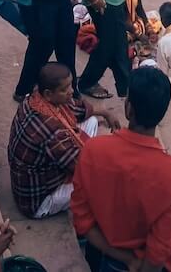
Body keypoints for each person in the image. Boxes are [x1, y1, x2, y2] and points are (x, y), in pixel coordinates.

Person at [71, 67, 171, 272]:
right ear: (162, 113)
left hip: (102, 255)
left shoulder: (93, 150)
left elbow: (82, 220)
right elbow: (158, 252)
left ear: (128, 108)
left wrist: (123, 257)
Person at [9, 62, 120, 219]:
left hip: (40, 172)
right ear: (48, 94)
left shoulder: (35, 98)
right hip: (38, 201)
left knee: (92, 121)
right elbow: (84, 167)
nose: (72, 91)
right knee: (103, 181)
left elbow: (76, 108)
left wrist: (105, 112)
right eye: (65, 89)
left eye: (70, 85)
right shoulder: (53, 133)